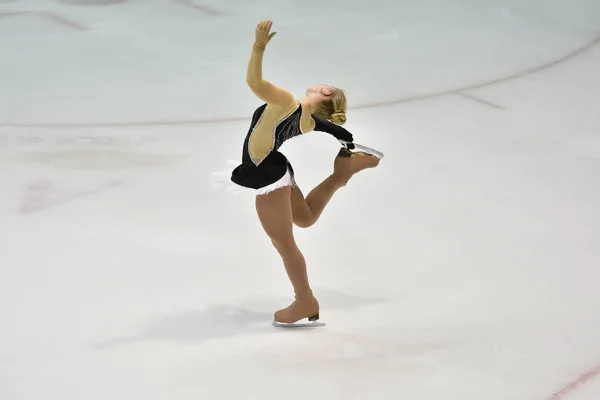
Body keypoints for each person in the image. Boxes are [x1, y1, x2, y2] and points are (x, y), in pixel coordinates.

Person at [230, 20, 381, 324]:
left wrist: (258, 47)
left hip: (267, 174)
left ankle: (305, 301)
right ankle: (342, 174)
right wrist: (348, 143)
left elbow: (256, 84)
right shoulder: (309, 121)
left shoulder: (286, 102)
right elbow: (335, 128)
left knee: (284, 243)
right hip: (276, 167)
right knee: (305, 218)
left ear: (325, 91)